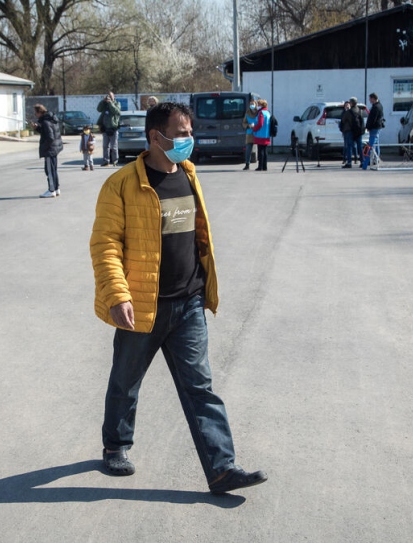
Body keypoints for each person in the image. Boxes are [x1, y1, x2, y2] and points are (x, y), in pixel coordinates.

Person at [90, 101, 268, 495]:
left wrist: (204, 284)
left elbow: (197, 234)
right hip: (143, 306)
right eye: (182, 133)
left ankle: (222, 468)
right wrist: (118, 295)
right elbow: (105, 246)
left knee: (200, 387)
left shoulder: (188, 174)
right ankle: (115, 445)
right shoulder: (120, 185)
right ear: (156, 137)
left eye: (190, 132)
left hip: (187, 304)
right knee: (125, 381)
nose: (190, 140)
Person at [32, 104, 63, 198]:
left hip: (50, 149)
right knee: (53, 170)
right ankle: (56, 189)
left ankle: (51, 190)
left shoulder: (45, 121)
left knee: (49, 170)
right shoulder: (51, 119)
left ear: (40, 112)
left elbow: (50, 137)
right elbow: (47, 132)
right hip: (54, 148)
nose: (35, 115)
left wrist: (44, 148)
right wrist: (37, 128)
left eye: (36, 113)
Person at [97, 91, 121, 167]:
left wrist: (110, 103)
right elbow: (98, 109)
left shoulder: (117, 103)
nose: (109, 98)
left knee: (113, 147)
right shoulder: (104, 104)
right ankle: (106, 161)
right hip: (105, 128)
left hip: (113, 128)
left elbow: (116, 111)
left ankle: (115, 161)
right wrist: (103, 101)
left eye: (110, 96)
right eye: (108, 96)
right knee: (105, 146)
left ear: (114, 96)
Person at [362, 92, 385, 170]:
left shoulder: (376, 107)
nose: (369, 100)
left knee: (371, 145)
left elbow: (373, 119)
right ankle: (376, 160)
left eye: (370, 99)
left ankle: (366, 163)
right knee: (376, 144)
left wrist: (368, 127)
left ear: (373, 98)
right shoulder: (379, 106)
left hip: (374, 128)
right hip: (377, 127)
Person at [249, 99, 271, 171]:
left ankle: (260, 166)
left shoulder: (261, 113)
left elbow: (260, 124)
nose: (257, 106)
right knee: (265, 151)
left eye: (258, 104)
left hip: (260, 134)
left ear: (261, 105)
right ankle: (265, 166)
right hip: (266, 134)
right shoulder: (267, 112)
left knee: (260, 150)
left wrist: (254, 128)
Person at [242, 99, 259, 170]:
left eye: (253, 104)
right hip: (249, 133)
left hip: (258, 132)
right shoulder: (247, 113)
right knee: (248, 149)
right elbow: (244, 123)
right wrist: (248, 125)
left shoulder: (259, 113)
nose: (252, 105)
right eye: (250, 104)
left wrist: (256, 126)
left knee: (260, 149)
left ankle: (260, 164)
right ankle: (247, 164)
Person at [339, 101, 355, 168]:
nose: (347, 106)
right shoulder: (344, 112)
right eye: (346, 105)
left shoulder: (351, 112)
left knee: (352, 146)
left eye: (348, 105)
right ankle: (346, 159)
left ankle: (351, 160)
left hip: (350, 130)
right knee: (347, 146)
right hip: (346, 130)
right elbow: (342, 121)